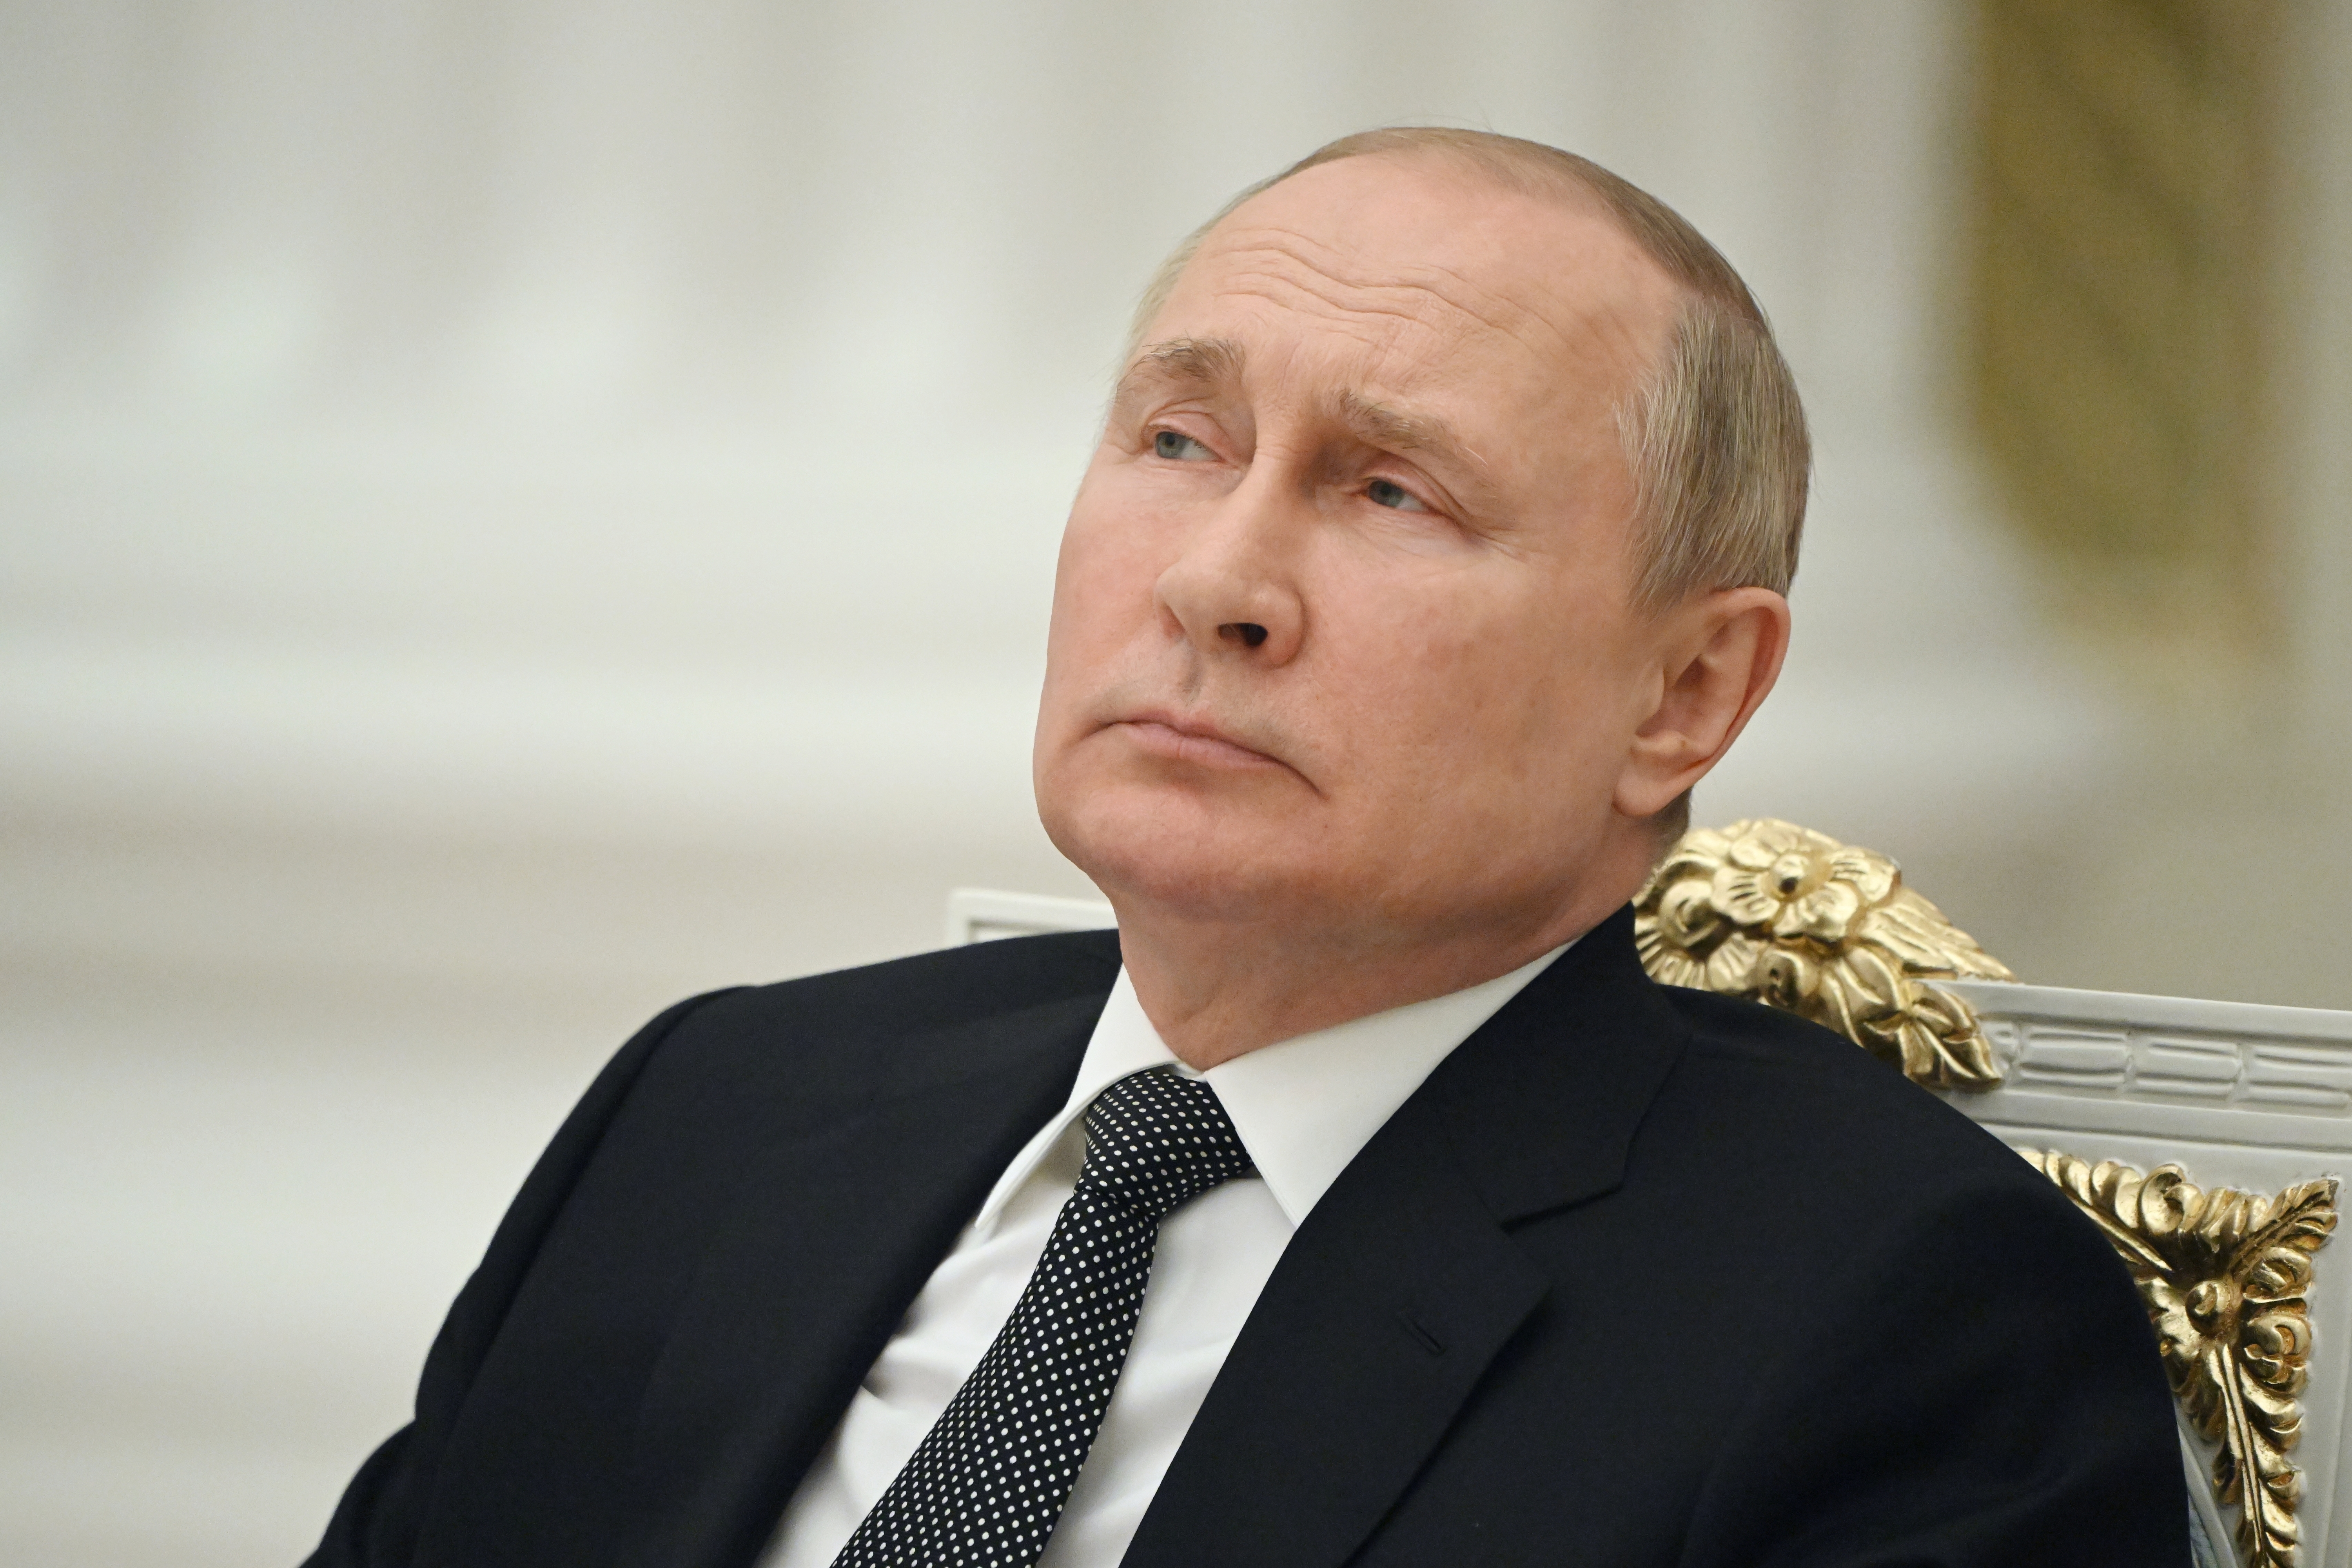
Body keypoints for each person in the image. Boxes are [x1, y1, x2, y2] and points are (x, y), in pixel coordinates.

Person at [305, 129, 2184, 1568]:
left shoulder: (1897, 1317)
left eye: (1390, 490)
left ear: (1684, 693)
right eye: (1182, 441)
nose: (1216, 581)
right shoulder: (719, 1103)